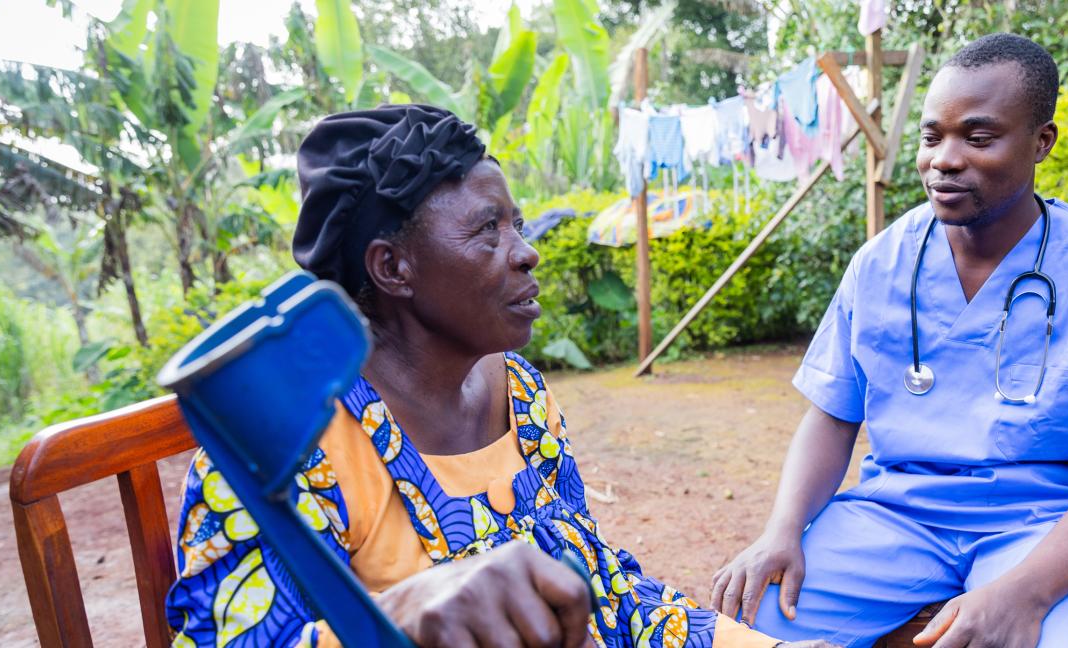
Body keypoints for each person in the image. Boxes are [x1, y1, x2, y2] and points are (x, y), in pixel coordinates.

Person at [164, 105, 813, 648]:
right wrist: (402, 614)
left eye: (518, 226)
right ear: (393, 267)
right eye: (487, 231)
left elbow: (603, 586)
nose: (527, 252)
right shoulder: (293, 443)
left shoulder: (520, 395)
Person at [710, 34, 1068, 647]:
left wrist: (1025, 593)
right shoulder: (881, 264)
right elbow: (831, 418)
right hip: (895, 518)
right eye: (932, 137)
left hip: (1044, 526)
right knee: (749, 625)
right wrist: (782, 529)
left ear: (1042, 142)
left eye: (978, 138)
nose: (945, 159)